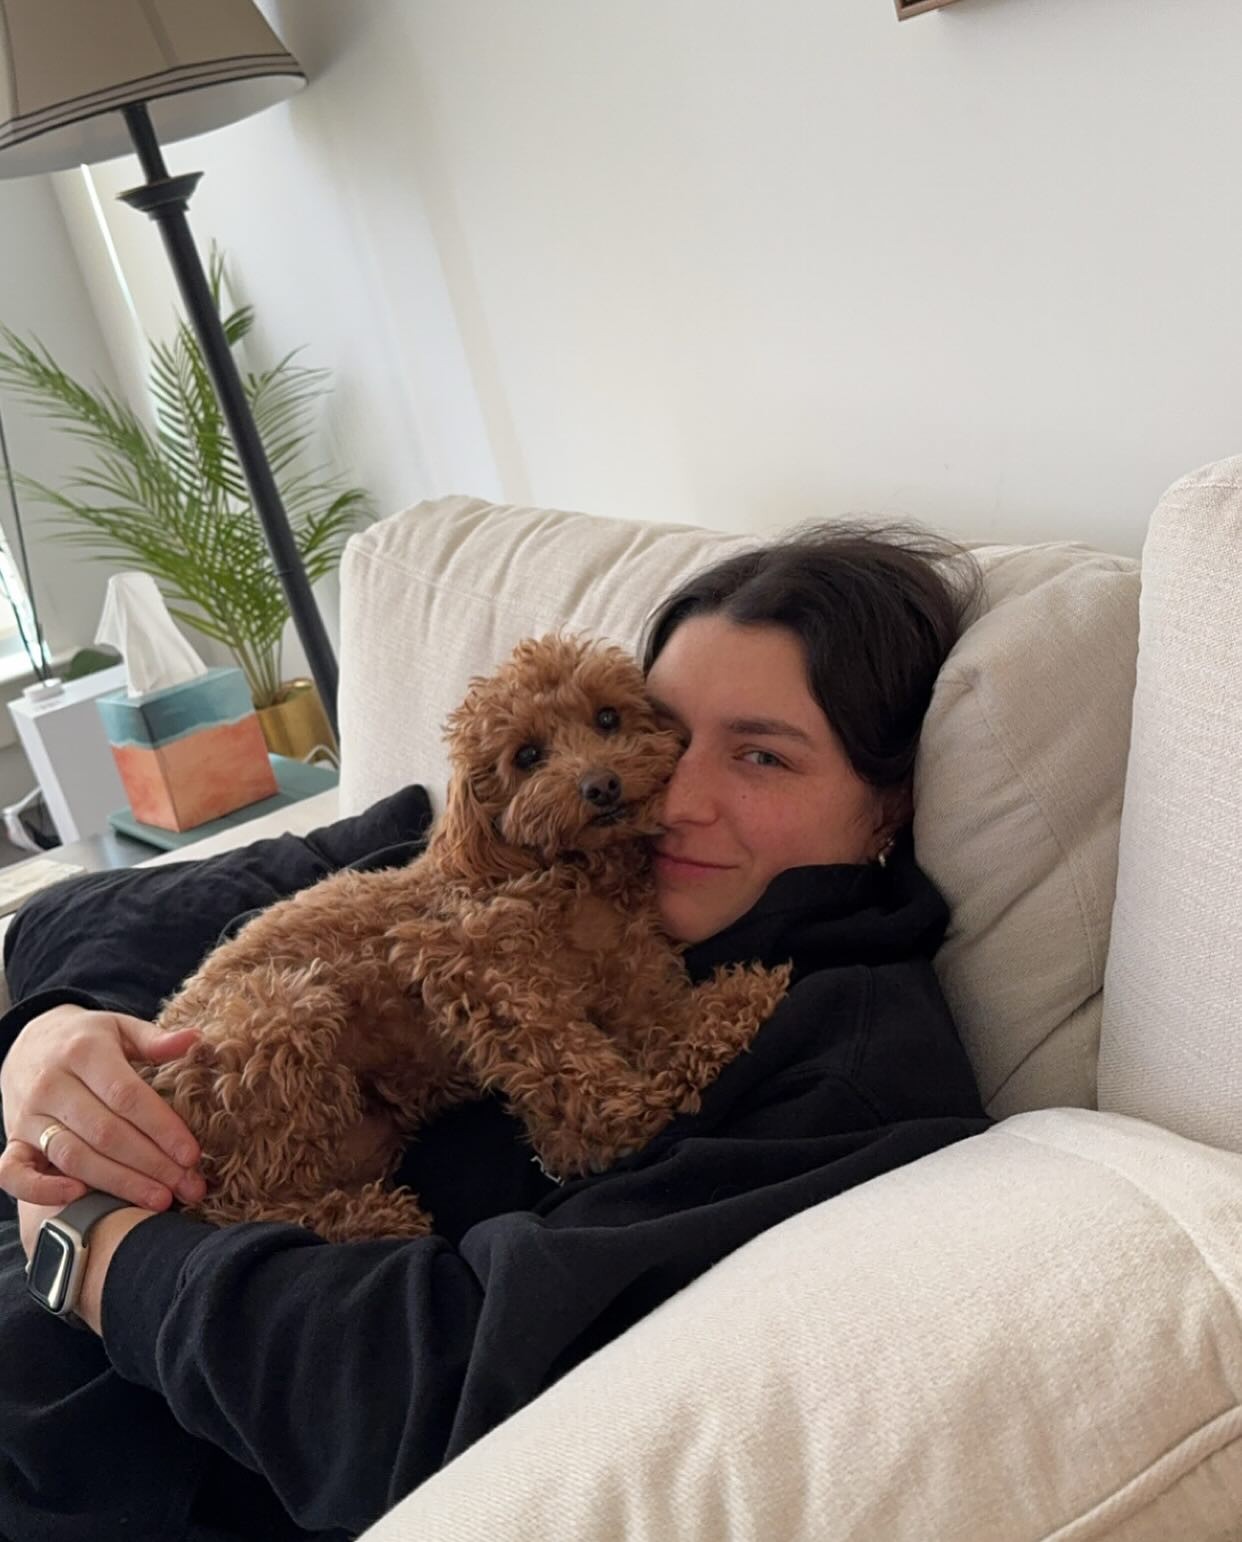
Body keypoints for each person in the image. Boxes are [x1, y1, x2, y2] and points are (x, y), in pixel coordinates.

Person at [0, 521, 992, 1542]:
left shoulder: (842, 1068)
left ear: (890, 801)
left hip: (110, 1449)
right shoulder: (552, 853)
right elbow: (106, 915)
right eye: (664, 729)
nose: (667, 795)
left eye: (761, 756)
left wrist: (90, 1248)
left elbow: (422, 1401)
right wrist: (50, 1037)